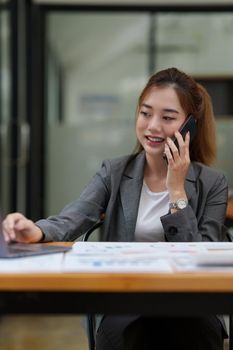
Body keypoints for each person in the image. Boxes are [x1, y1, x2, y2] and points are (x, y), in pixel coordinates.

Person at [3, 67, 228, 349]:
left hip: (190, 306)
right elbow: (73, 218)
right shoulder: (115, 172)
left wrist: (176, 190)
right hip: (128, 301)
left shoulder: (212, 183)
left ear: (189, 126)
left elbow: (201, 263)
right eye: (145, 113)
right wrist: (34, 230)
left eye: (167, 117)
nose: (153, 126)